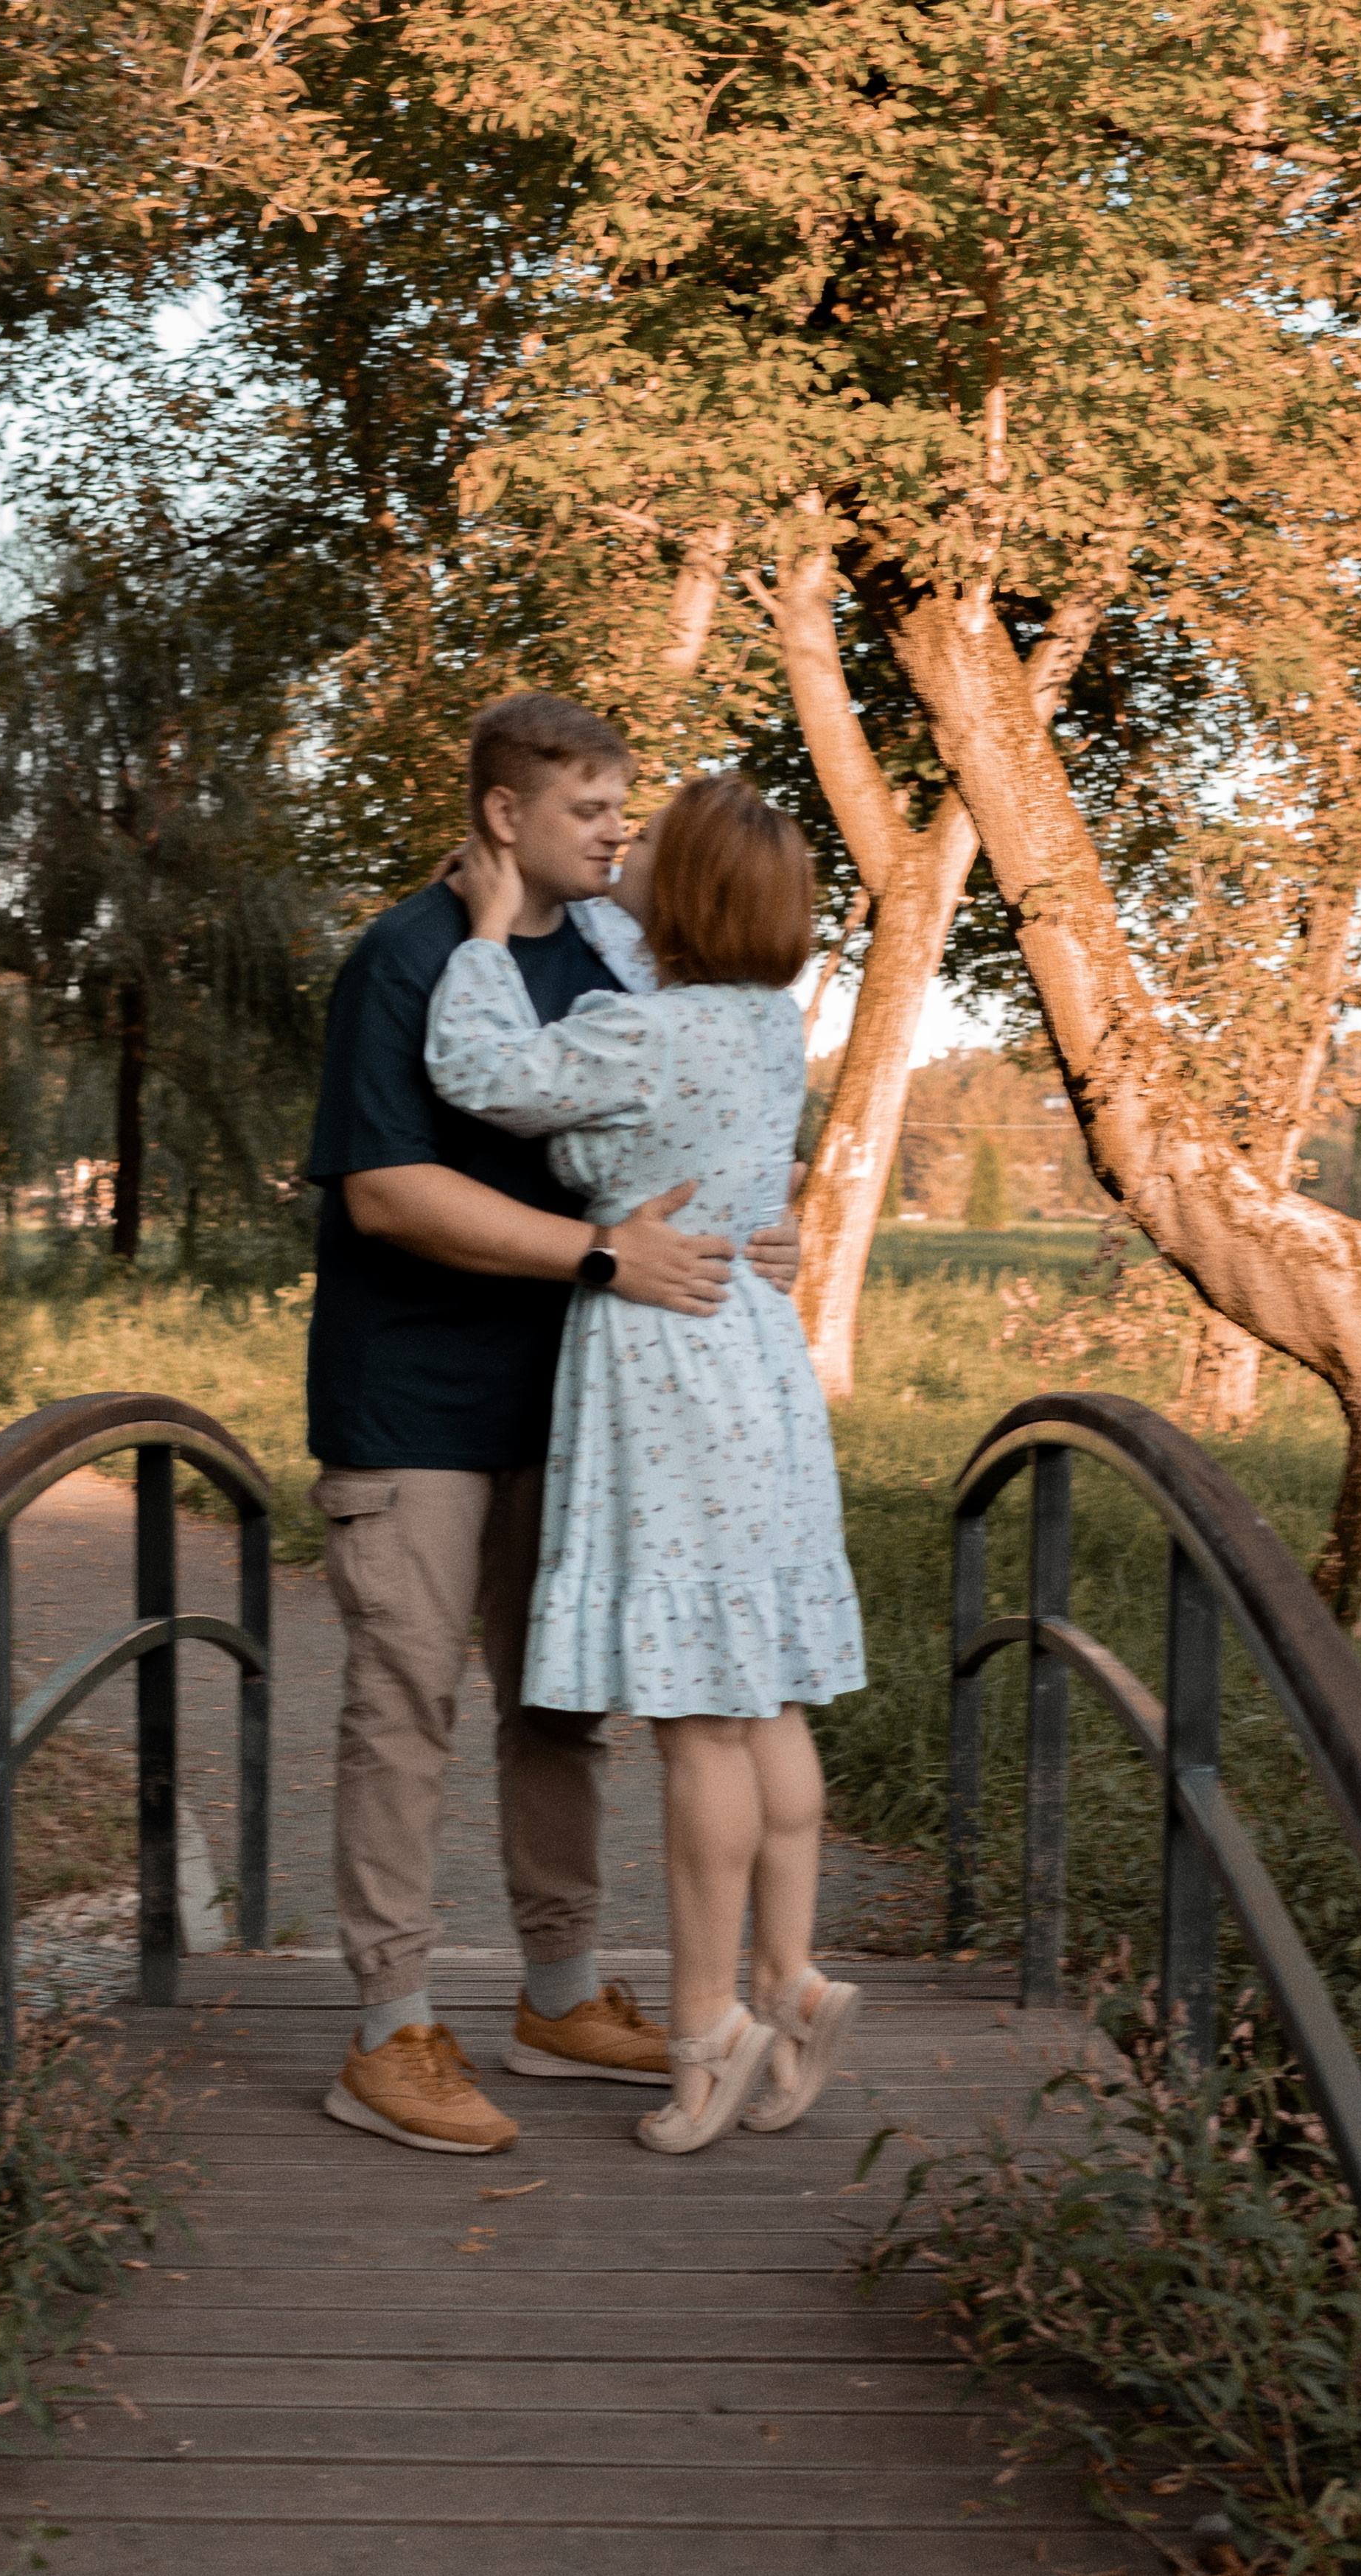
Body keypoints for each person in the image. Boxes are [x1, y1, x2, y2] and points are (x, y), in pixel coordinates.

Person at [305, 694, 805, 2156]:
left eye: (625, 807)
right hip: (412, 1401)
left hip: (581, 1406)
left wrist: (752, 1229)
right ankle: (388, 2031)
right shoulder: (405, 957)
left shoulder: (611, 950)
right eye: (587, 809)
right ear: (503, 816)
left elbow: (692, 1111)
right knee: (403, 1715)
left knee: (560, 1709)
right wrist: (600, 1257)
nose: (616, 830)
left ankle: (559, 1991)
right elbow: (386, 1190)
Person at [425, 773, 867, 2154]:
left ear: (684, 898)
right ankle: (791, 1976)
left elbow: (483, 1074)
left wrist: (491, 934)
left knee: (695, 1722)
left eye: (649, 844)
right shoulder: (761, 1023)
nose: (623, 845)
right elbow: (634, 962)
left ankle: (702, 2034)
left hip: (665, 1366)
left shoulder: (639, 1033)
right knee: (769, 1696)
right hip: (758, 1356)